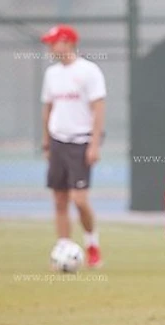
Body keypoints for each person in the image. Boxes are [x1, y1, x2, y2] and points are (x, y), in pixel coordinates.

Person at [40, 24, 106, 267]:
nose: (50, 47)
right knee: (59, 199)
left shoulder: (89, 71)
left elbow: (98, 108)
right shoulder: (51, 74)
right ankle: (63, 247)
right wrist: (46, 141)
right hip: (58, 141)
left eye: (53, 42)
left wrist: (94, 144)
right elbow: (48, 108)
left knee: (79, 199)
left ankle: (92, 243)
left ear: (67, 42)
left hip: (80, 142)